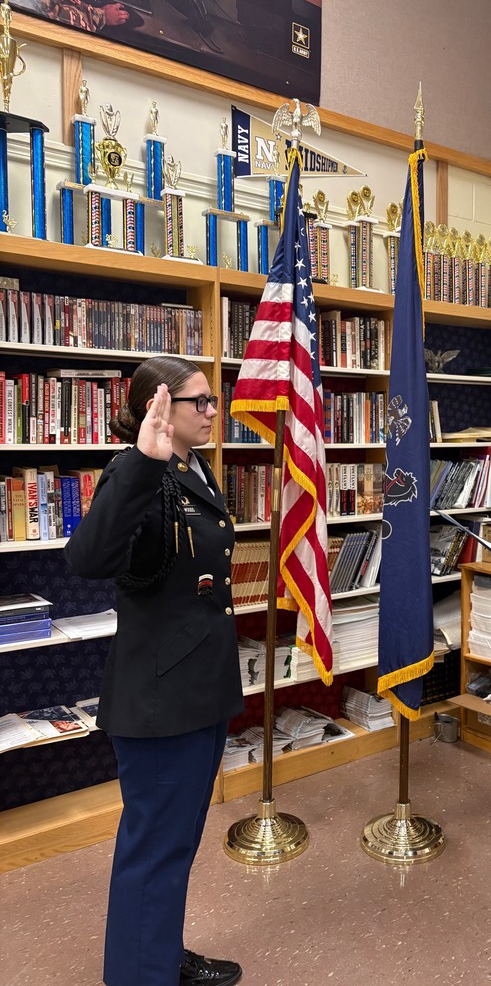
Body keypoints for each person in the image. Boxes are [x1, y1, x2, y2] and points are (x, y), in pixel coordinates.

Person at [65, 355, 244, 986]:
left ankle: (158, 957)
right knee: (153, 854)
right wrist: (143, 462)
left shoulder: (192, 468)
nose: (213, 410)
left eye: (210, 399)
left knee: (175, 847)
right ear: (159, 410)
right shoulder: (135, 471)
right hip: (161, 701)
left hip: (196, 690)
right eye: (200, 401)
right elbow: (89, 558)